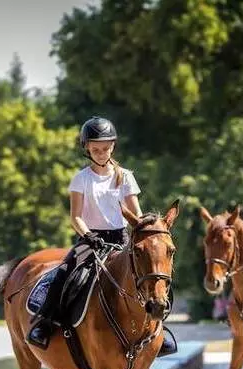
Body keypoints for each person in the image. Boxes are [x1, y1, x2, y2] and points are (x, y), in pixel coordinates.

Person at [26, 116, 177, 356]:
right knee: (65, 273)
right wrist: (88, 235)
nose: (101, 153)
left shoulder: (125, 176)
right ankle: (44, 324)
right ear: (86, 148)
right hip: (91, 239)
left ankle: (160, 329)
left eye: (105, 148)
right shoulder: (81, 179)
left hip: (122, 239)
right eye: (95, 149)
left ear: (113, 146)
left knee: (154, 272)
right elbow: (75, 216)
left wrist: (142, 228)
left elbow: (135, 213)